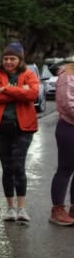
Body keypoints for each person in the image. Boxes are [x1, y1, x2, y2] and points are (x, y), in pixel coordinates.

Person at [0, 42, 39, 223]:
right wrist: (19, 92)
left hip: (23, 128)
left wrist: (5, 89)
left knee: (18, 166)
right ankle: (10, 208)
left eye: (12, 58)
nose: (8, 62)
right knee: (7, 168)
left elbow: (33, 94)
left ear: (20, 59)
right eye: (6, 58)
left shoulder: (28, 74)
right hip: (0, 128)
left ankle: (21, 208)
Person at [49, 60, 74, 225]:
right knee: (65, 169)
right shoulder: (68, 74)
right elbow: (68, 103)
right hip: (69, 127)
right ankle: (57, 209)